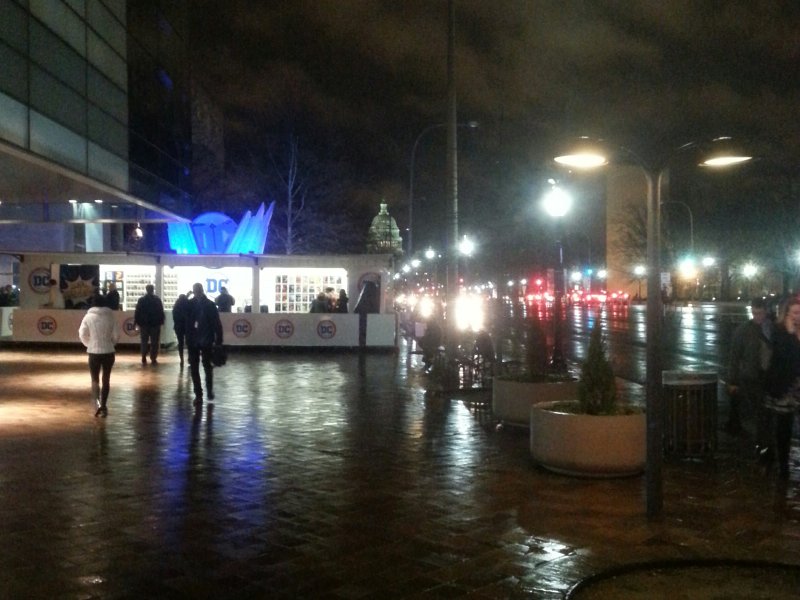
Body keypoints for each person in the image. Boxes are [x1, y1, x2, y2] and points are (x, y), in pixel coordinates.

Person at [727, 298, 772, 446]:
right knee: (759, 413)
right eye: (754, 313)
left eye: (759, 313)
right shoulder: (744, 330)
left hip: (767, 378)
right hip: (751, 378)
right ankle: (762, 444)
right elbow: (735, 356)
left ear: (766, 311)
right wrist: (733, 381)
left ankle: (763, 443)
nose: (757, 317)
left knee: (764, 414)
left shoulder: (772, 328)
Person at [765, 297, 800, 478]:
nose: (798, 317)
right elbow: (784, 357)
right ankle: (782, 463)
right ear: (786, 314)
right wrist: (790, 334)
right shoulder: (779, 331)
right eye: (794, 313)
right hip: (785, 386)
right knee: (783, 426)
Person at [78, 293, 120, 417]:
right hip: (108, 351)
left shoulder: (88, 317)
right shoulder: (111, 316)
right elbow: (116, 335)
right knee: (106, 379)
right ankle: (103, 405)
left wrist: (89, 344)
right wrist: (111, 343)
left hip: (93, 352)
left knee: (94, 379)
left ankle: (96, 404)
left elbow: (82, 334)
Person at [186, 282, 223, 406]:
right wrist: (218, 341)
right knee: (207, 366)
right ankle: (209, 390)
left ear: (194, 291)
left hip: (193, 340)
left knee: (195, 368)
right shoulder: (210, 305)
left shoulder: (190, 304)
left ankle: (198, 395)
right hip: (206, 339)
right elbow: (217, 324)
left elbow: (186, 322)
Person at [134, 283, 165, 364]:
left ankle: (143, 355)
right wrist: (161, 321)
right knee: (154, 342)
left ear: (146, 290)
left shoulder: (141, 300)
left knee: (144, 341)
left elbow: (137, 311)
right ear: (153, 290)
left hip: (144, 324)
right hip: (155, 324)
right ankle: (153, 357)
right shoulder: (157, 300)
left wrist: (136, 321)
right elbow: (160, 311)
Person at [172, 293, 191, 367]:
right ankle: (189, 358)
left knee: (180, 343)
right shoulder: (188, 306)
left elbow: (175, 318)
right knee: (189, 342)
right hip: (187, 326)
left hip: (178, 327)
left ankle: (181, 358)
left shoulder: (176, 307)